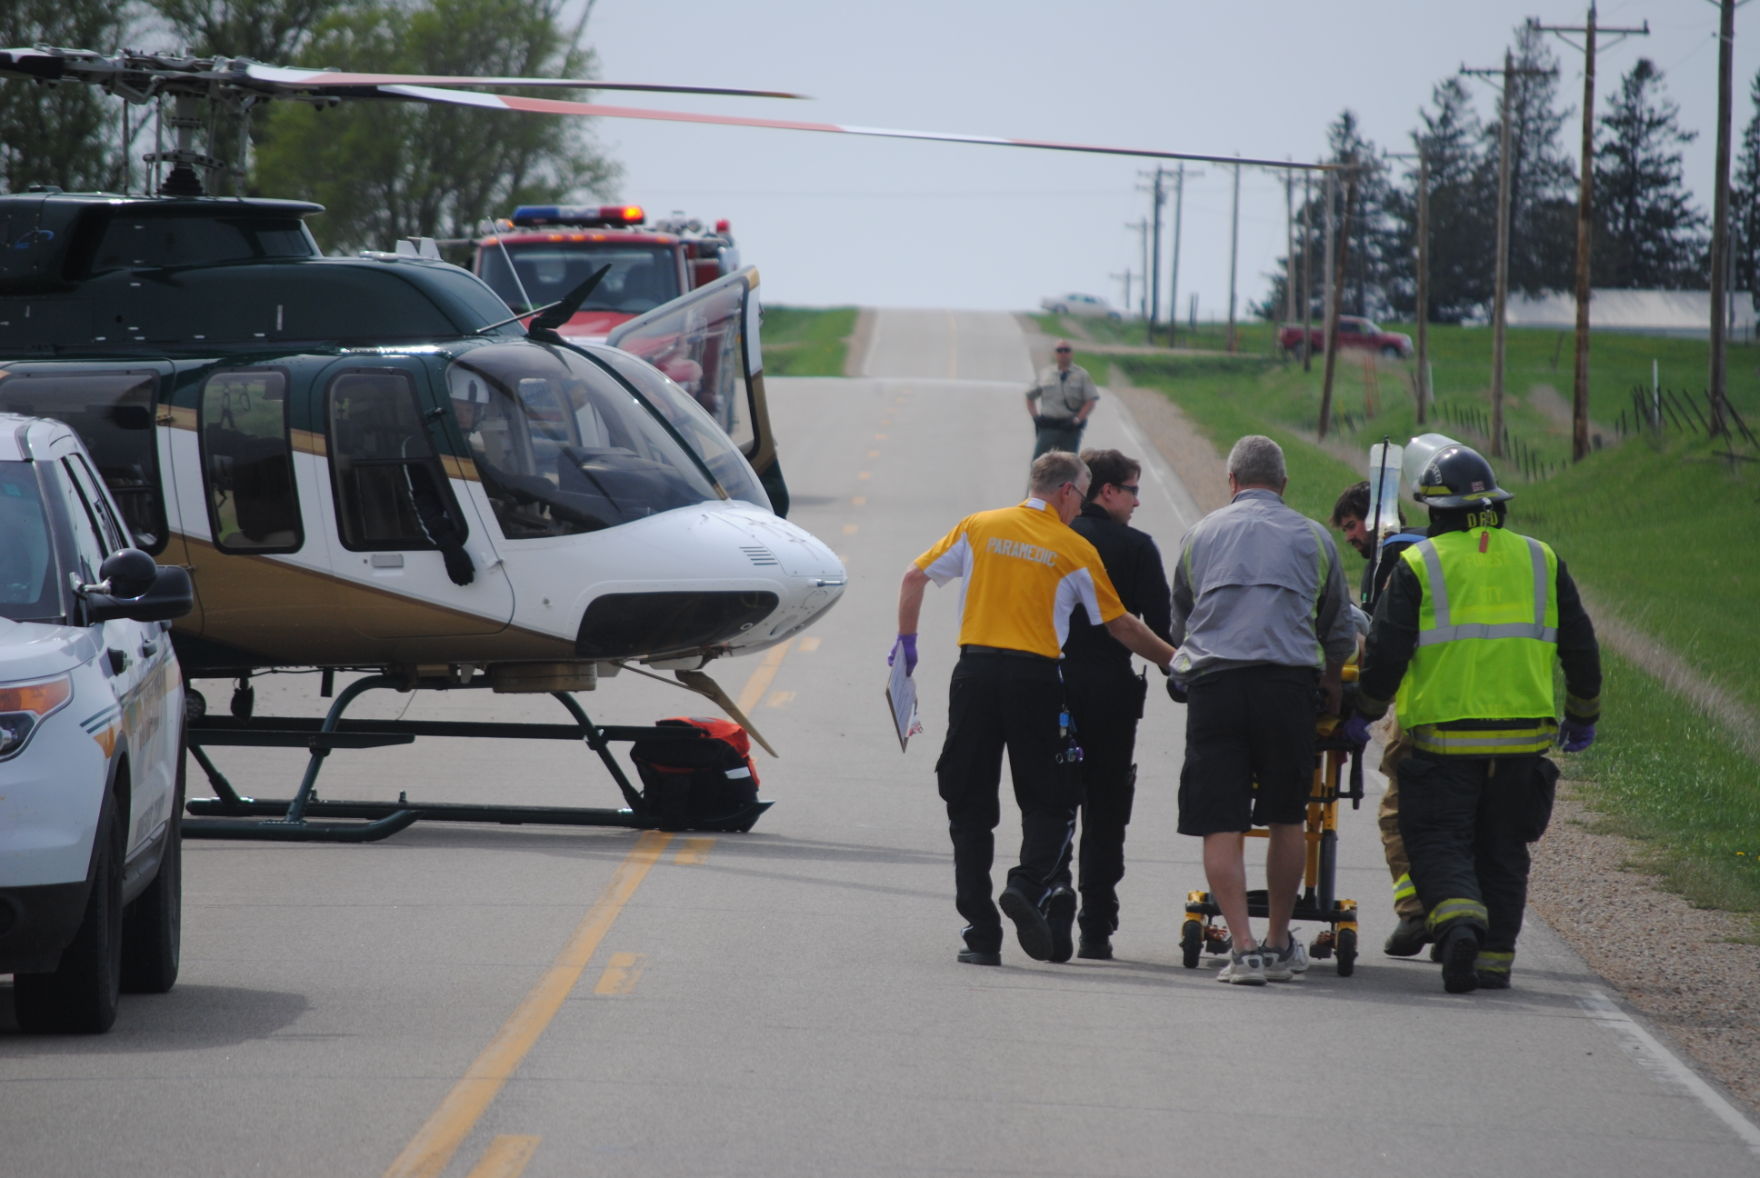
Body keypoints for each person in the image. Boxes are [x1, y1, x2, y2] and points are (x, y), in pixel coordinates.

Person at [895, 450, 1177, 967]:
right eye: (1081, 494)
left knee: (969, 805)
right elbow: (1122, 626)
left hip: (974, 675)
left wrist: (907, 644)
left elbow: (914, 577)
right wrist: (1177, 662)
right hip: (1036, 681)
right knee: (1051, 801)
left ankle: (979, 933)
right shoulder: (1072, 547)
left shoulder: (979, 526)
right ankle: (1026, 883)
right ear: (1068, 492)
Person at [1353, 444, 1601, 993]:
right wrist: (1583, 715)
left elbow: (1386, 652)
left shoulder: (1421, 562)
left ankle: (1460, 923)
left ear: (1437, 513)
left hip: (1443, 742)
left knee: (1437, 838)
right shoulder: (1543, 558)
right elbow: (1581, 647)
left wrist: (1364, 713)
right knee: (1504, 849)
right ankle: (1495, 962)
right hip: (1523, 743)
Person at [1168, 436, 1357, 986]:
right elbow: (1338, 629)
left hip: (1216, 689)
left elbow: (1180, 626)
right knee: (1287, 815)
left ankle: (1243, 948)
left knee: (1221, 821)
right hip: (1286, 689)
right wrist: (1329, 683)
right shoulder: (1316, 538)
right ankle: (1277, 941)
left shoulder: (1199, 534)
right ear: (1284, 484)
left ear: (1231, 481)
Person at [1046, 449, 1173, 961]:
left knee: (1052, 802)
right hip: (1111, 694)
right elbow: (1162, 629)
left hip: (1051, 687)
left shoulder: (1055, 541)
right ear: (1108, 491)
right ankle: (1096, 926)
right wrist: (1179, 672)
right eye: (1134, 490)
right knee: (1106, 806)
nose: (1139, 503)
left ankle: (1053, 894)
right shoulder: (1137, 547)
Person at [1330, 478, 1432, 957]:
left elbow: (1381, 646)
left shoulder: (1392, 560)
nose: (1349, 537)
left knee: (1398, 816)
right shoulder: (1432, 552)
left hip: (1423, 710)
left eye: (1352, 526)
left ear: (1373, 518)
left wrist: (1364, 709)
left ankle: (1416, 916)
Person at [1024, 341, 1099, 459]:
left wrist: (1077, 420)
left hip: (1069, 428)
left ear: (1072, 353)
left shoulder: (1082, 375)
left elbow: (1091, 401)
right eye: (1059, 350)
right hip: (1048, 427)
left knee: (1068, 465)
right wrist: (1035, 417)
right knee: (1040, 464)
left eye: (1066, 350)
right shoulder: (1046, 373)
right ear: (1055, 353)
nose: (1063, 353)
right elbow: (1029, 396)